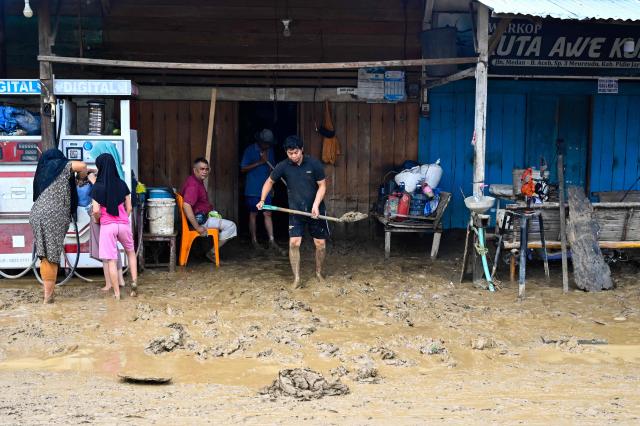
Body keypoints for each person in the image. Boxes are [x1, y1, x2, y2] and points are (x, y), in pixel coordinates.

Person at [257, 135, 328, 289]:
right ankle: (296, 278)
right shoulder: (283, 166)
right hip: (295, 210)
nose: (293, 156)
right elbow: (270, 181)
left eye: (296, 152)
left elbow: (322, 186)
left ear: (302, 150)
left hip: (316, 209)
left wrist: (315, 205)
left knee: (320, 243)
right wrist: (262, 199)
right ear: (286, 153)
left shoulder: (314, 164)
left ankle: (318, 272)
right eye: (290, 154)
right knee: (294, 243)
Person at [30, 149, 88, 303]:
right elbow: (82, 165)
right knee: (51, 257)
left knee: (45, 255)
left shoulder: (43, 170)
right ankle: (48, 298)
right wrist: (82, 178)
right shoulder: (61, 165)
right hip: (54, 215)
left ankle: (48, 293)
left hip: (37, 214)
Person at [90, 153, 138, 300]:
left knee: (111, 260)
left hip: (107, 226)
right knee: (130, 253)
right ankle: (134, 284)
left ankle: (117, 293)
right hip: (123, 224)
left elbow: (96, 210)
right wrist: (123, 219)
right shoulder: (122, 184)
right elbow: (129, 208)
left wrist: (98, 219)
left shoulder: (97, 187)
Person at [180, 157, 237, 262]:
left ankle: (210, 249)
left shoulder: (195, 180)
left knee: (222, 221)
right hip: (201, 220)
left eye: (206, 169)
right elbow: (186, 205)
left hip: (202, 217)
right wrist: (197, 227)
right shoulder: (193, 185)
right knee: (231, 226)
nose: (205, 172)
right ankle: (212, 252)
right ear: (194, 170)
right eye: (202, 169)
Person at [87, 141, 125, 292]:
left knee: (106, 252)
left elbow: (101, 194)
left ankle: (109, 283)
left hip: (104, 218)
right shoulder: (118, 175)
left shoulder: (101, 181)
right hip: (118, 220)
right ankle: (120, 279)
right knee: (114, 249)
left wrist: (92, 181)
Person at [240, 128, 283, 252]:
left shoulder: (270, 150)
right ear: (259, 141)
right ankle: (254, 241)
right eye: (265, 143)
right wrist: (260, 162)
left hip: (267, 188)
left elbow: (272, 170)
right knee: (253, 214)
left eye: (269, 144)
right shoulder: (249, 150)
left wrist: (272, 186)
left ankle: (271, 240)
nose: (267, 146)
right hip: (253, 188)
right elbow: (243, 168)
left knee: (268, 213)